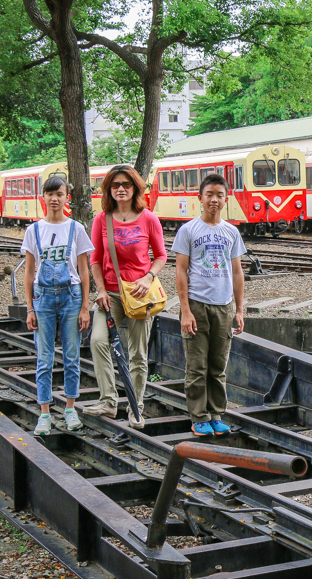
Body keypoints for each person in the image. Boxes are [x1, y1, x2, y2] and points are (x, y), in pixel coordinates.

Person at [84, 165, 167, 429]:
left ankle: (135, 407)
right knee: (97, 340)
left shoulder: (148, 219)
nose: (121, 189)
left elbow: (161, 256)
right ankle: (109, 401)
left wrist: (148, 277)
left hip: (140, 294)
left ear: (135, 188)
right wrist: (99, 290)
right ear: (109, 189)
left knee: (138, 354)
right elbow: (95, 260)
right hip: (110, 293)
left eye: (127, 184)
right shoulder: (101, 220)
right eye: (115, 185)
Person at [172, 173, 245, 437]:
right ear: (200, 198)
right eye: (209, 195)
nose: (214, 200)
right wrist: (186, 311)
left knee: (217, 365)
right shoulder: (188, 230)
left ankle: (216, 414)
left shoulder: (231, 232)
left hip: (223, 306)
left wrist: (239, 309)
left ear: (226, 199)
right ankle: (198, 416)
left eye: (219, 195)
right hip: (197, 304)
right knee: (197, 365)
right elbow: (180, 271)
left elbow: (237, 272)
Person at [20, 174, 93, 435]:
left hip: (71, 296)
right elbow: (29, 272)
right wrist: (29, 308)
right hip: (43, 298)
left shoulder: (77, 228)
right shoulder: (33, 230)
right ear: (43, 197)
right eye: (50, 194)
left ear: (66, 198)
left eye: (59, 194)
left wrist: (85, 307)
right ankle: (44, 414)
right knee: (44, 357)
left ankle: (70, 409)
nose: (54, 199)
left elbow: (84, 271)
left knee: (72, 356)